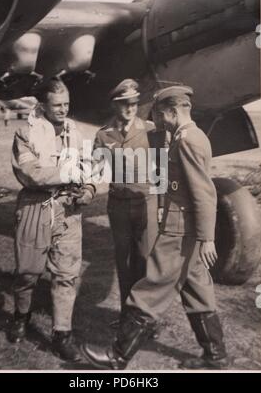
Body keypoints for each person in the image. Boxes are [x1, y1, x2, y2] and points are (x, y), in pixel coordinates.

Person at [82, 85, 228, 370]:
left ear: (174, 111)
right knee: (196, 289)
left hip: (179, 231)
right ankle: (216, 355)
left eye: (162, 114)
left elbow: (204, 193)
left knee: (149, 288)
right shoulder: (191, 136)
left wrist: (207, 238)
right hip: (186, 229)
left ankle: (117, 356)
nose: (159, 120)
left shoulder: (187, 140)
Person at [9, 78, 95, 362]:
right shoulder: (26, 133)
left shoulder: (77, 131)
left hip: (69, 211)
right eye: (57, 105)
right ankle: (21, 316)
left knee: (67, 275)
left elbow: (88, 165)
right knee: (27, 272)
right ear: (43, 105)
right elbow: (29, 173)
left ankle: (62, 334)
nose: (63, 109)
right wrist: (67, 176)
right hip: (36, 207)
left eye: (67, 104)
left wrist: (89, 189)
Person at [93, 79, 159, 313]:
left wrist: (161, 204)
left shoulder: (151, 130)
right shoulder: (103, 135)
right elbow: (94, 169)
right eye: (124, 104)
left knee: (146, 259)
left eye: (133, 103)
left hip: (146, 202)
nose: (130, 108)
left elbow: (163, 169)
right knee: (124, 261)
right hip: (118, 205)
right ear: (115, 105)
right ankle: (127, 314)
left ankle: (145, 317)